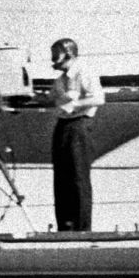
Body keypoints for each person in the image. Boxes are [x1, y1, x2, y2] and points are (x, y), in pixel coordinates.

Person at [47, 36, 104, 232]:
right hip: (63, 125)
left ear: (68, 54)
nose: (53, 59)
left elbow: (98, 98)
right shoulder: (60, 80)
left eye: (57, 55)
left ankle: (81, 228)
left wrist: (75, 104)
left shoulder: (83, 73)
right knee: (62, 177)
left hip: (79, 125)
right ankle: (65, 225)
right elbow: (51, 98)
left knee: (78, 177)